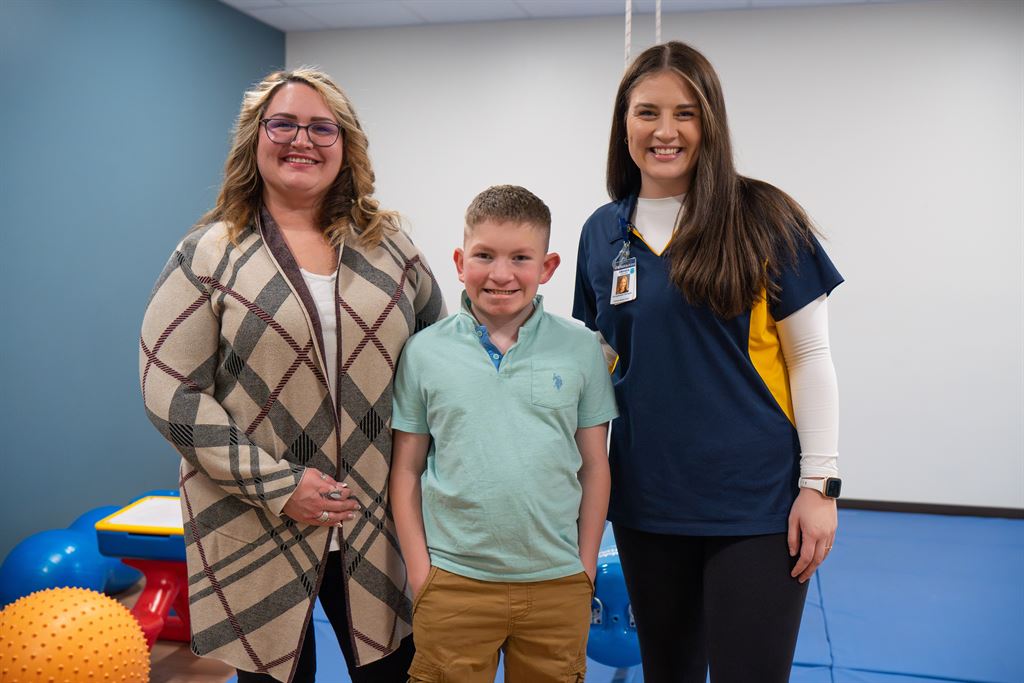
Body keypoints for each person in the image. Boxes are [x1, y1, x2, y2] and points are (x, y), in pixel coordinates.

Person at [139, 67, 445, 683]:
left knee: (397, 671)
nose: (301, 140)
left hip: (379, 518)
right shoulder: (210, 252)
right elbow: (170, 391)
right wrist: (279, 485)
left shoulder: (392, 250)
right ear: (256, 139)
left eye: (320, 127)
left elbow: (443, 360)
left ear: (346, 145)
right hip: (255, 519)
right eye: (283, 124)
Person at [573, 42, 844, 682]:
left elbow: (811, 358)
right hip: (646, 501)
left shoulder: (765, 218)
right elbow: (602, 360)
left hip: (756, 505)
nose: (665, 131)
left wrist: (820, 486)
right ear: (624, 124)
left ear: (710, 124)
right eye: (647, 113)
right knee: (668, 673)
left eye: (685, 113)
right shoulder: (600, 233)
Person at [390, 185, 618, 682]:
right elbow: (406, 469)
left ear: (548, 267)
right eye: (484, 255)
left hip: (557, 583)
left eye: (520, 257)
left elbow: (595, 465)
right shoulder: (424, 353)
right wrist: (420, 571)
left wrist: (582, 568)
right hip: (454, 583)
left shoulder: (581, 348)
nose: (501, 273)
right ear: (459, 260)